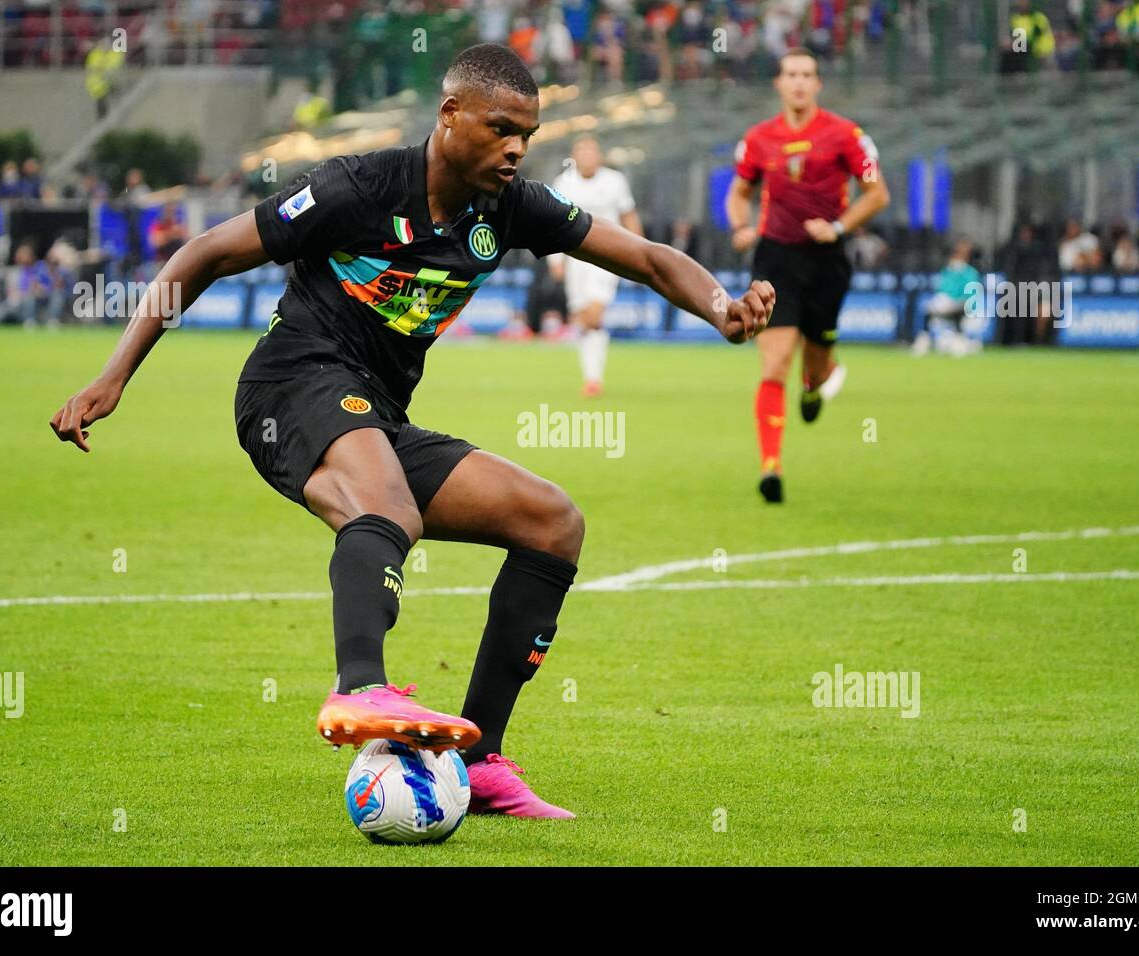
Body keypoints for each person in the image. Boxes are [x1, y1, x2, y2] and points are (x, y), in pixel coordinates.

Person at [48, 43, 773, 820]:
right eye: (501, 129)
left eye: (527, 133)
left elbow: (646, 258)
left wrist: (721, 307)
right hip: (290, 386)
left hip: (374, 416)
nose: (517, 148)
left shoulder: (509, 206)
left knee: (551, 522)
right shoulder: (354, 188)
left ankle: (482, 758)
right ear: (450, 115)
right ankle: (359, 686)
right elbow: (204, 253)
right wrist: (115, 374)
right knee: (387, 508)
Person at [725, 47, 889, 504]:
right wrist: (740, 225)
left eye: (807, 74)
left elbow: (877, 193)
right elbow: (739, 192)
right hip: (775, 260)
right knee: (774, 361)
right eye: (791, 74)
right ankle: (770, 467)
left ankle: (815, 387)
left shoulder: (847, 135)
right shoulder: (758, 138)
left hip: (827, 260)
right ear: (778, 83)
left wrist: (838, 226)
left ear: (818, 84)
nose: (799, 82)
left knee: (815, 366)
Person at [547, 135, 643, 396]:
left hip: (608, 256)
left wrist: (640, 253)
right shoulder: (564, 183)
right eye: (582, 152)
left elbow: (629, 216)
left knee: (593, 314)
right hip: (575, 258)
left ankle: (592, 378)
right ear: (575, 157)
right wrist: (555, 259)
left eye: (592, 152)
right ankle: (593, 379)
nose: (587, 157)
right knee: (584, 320)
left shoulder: (615, 181)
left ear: (599, 156)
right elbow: (552, 225)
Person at [913, 238, 982, 357]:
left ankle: (961, 341)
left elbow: (972, 295)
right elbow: (942, 289)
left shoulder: (970, 273)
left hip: (962, 305)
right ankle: (924, 340)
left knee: (956, 313)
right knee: (928, 310)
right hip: (945, 302)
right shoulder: (948, 271)